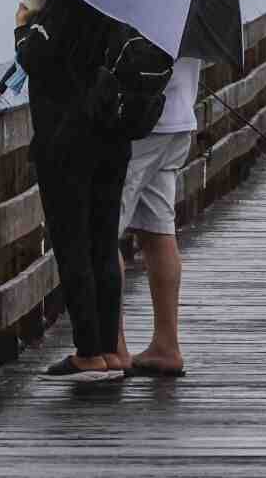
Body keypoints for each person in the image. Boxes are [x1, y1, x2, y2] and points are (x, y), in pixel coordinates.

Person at [14, 0, 130, 382]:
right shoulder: (130, 2)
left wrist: (25, 25)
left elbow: (37, 60)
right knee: (103, 241)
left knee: (72, 244)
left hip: (66, 140)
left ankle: (88, 352)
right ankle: (111, 351)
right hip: (114, 139)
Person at [113, 56, 202, 378]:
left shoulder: (141, 5)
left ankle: (113, 346)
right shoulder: (192, 7)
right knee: (157, 231)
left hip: (138, 121)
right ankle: (166, 345)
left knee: (103, 233)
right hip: (178, 119)